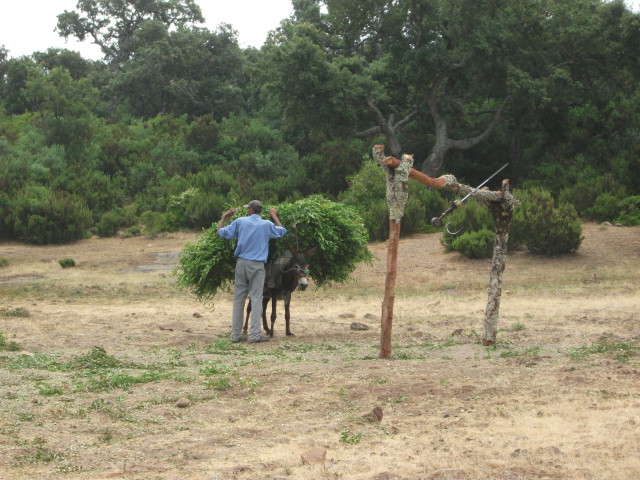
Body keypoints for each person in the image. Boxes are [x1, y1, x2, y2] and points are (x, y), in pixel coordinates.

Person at [217, 200, 287, 343]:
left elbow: (221, 233)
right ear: (259, 211)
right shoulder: (266, 224)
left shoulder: (240, 222)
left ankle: (235, 336)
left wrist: (224, 217)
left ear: (250, 210)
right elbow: (282, 232)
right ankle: (254, 336)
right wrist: (274, 216)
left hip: (241, 264)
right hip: (257, 265)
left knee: (238, 299)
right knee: (256, 299)